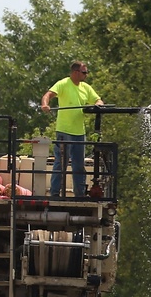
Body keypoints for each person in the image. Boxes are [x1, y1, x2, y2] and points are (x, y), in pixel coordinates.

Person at [40, 61, 104, 196]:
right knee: (60, 163)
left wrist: (98, 104)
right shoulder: (63, 84)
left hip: (79, 133)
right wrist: (45, 105)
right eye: (84, 72)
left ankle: (79, 195)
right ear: (76, 72)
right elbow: (48, 95)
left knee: (78, 165)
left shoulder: (86, 88)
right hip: (64, 131)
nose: (86, 75)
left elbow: (98, 100)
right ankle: (55, 193)